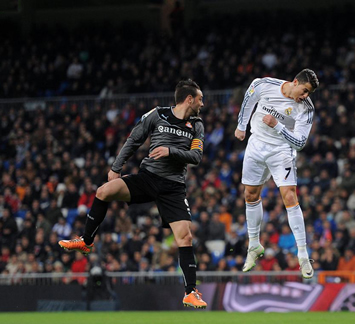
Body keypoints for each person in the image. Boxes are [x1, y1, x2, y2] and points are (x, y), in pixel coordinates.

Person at [59, 79, 207, 309]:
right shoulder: (157, 115)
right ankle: (86, 241)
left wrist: (171, 151)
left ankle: (190, 292)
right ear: (189, 99)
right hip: (147, 178)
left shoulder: (197, 125)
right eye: (200, 99)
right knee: (103, 191)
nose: (202, 103)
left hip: (173, 187)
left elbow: (196, 157)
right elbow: (134, 139)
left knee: (185, 236)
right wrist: (115, 168)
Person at [234, 68, 319, 278]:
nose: (306, 96)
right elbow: (248, 99)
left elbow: (299, 143)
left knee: (289, 196)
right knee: (250, 195)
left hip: (281, 150)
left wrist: (278, 125)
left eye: (309, 93)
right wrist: (241, 125)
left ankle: (302, 254)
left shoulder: (306, 108)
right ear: (295, 82)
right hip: (256, 144)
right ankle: (254, 245)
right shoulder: (263, 85)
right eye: (305, 90)